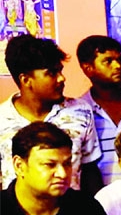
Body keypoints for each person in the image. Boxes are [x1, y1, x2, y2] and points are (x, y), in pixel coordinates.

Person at [1, 34, 102, 194]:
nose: (62, 78)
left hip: (71, 214)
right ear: (26, 80)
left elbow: (90, 169)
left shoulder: (81, 111)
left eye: (60, 71)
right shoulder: (2, 119)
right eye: (51, 73)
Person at [77, 35, 121, 187]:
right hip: (101, 203)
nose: (117, 66)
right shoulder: (79, 113)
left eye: (119, 60)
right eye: (108, 61)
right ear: (88, 68)